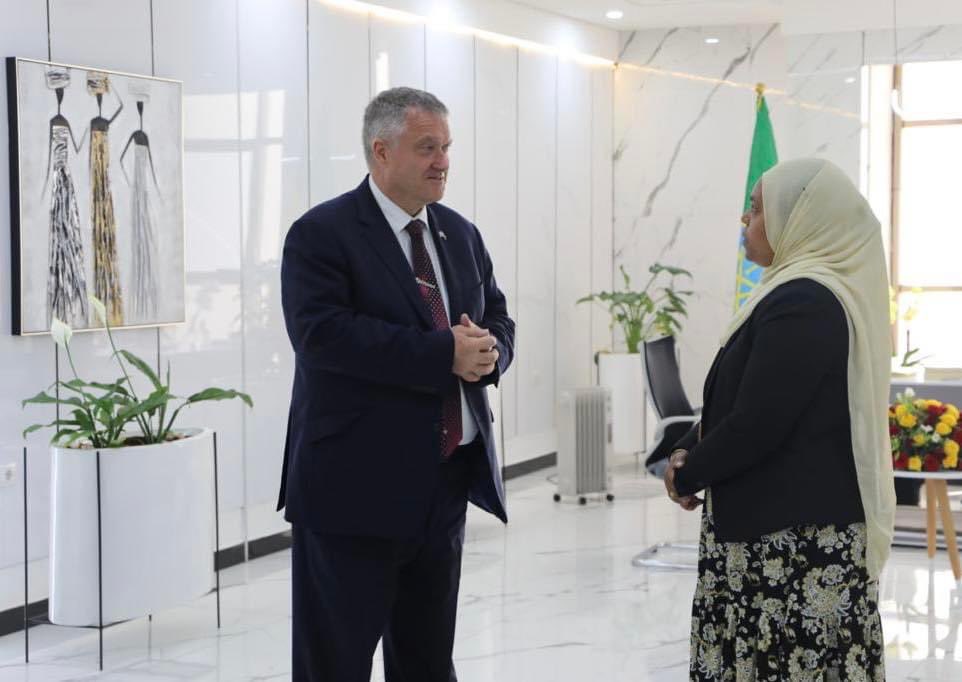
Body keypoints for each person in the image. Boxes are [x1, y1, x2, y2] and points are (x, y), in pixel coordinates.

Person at [278, 87, 515, 682]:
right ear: (380, 151)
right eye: (427, 147)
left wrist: (489, 354)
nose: (443, 162)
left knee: (427, 662)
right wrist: (444, 354)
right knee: (335, 663)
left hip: (443, 484)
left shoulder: (460, 233)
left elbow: (497, 315)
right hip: (352, 490)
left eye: (447, 147)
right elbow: (322, 336)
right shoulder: (320, 234)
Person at [664, 158, 894, 680]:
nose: (745, 220)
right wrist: (686, 451)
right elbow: (737, 402)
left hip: (793, 552)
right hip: (772, 537)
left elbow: (758, 422)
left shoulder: (806, 300)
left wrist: (687, 472)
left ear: (799, 218)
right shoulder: (787, 293)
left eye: (757, 208)